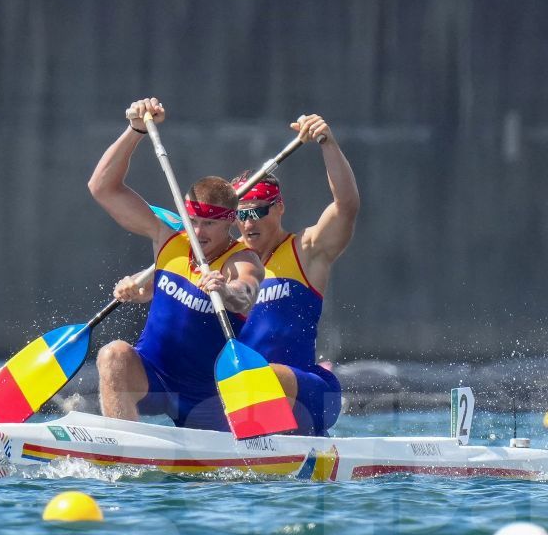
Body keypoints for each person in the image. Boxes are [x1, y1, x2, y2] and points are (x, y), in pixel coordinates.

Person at [88, 97, 263, 429]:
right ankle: (123, 449)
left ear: (230, 222)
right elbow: (102, 188)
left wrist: (226, 292)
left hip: (205, 397)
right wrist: (135, 130)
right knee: (113, 354)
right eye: (192, 221)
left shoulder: (241, 259)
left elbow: (246, 293)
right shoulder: (168, 238)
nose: (198, 232)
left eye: (209, 224)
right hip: (153, 378)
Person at [232, 113, 359, 435]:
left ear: (279, 207)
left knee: (263, 374)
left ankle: (263, 449)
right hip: (243, 398)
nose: (249, 223)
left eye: (259, 211)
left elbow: (346, 206)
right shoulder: (224, 261)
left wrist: (327, 143)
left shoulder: (307, 249)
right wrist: (138, 287)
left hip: (309, 391)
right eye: (241, 214)